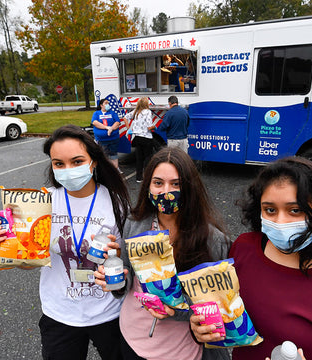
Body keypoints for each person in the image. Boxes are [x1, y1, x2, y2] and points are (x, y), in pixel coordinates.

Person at [190, 156, 312, 360]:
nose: (280, 221)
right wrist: (200, 329)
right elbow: (229, 315)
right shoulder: (244, 249)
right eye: (270, 210)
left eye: (295, 210)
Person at [0, 125, 132, 360]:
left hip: (109, 314)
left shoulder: (117, 203)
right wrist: (7, 251)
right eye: (59, 164)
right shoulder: (41, 204)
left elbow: (128, 267)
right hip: (60, 315)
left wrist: (117, 257)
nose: (68, 170)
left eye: (77, 161)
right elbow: (30, 263)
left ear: (93, 162)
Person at [94, 147, 231, 360]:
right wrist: (117, 280)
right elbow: (127, 275)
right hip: (132, 338)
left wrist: (176, 310)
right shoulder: (134, 223)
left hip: (180, 350)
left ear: (190, 187)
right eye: (158, 183)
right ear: (147, 185)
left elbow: (215, 305)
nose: (166, 191)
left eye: (176, 184)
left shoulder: (212, 240)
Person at [124, 97, 156, 183]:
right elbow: (149, 126)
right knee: (148, 158)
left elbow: (125, 118)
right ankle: (147, 177)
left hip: (137, 138)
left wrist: (128, 129)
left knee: (139, 159)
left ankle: (139, 177)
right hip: (146, 138)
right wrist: (154, 126)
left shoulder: (136, 111)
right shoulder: (148, 112)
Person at [91, 98, 122, 171]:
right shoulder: (97, 113)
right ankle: (106, 170)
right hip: (102, 140)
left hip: (113, 139)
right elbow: (95, 122)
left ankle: (116, 169)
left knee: (113, 155)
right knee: (104, 156)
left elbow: (117, 123)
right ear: (101, 105)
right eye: (106, 103)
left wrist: (111, 129)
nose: (108, 104)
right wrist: (106, 127)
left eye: (108, 103)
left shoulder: (112, 113)